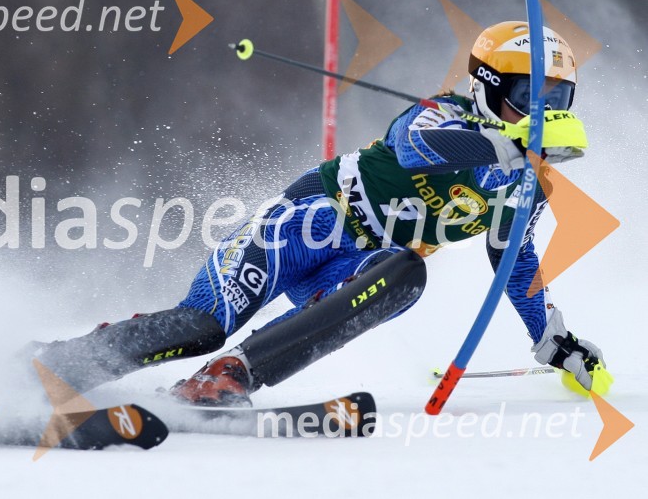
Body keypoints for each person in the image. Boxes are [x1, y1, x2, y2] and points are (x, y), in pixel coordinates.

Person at [30, 21, 608, 406]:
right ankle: (68, 362)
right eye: (527, 96)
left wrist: (551, 338)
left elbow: (513, 258)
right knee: (204, 326)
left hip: (356, 265)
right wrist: (510, 145)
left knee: (406, 275)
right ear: (485, 85)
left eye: (555, 101)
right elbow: (414, 150)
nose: (540, 113)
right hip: (310, 222)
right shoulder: (442, 116)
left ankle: (230, 376)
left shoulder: (528, 182)